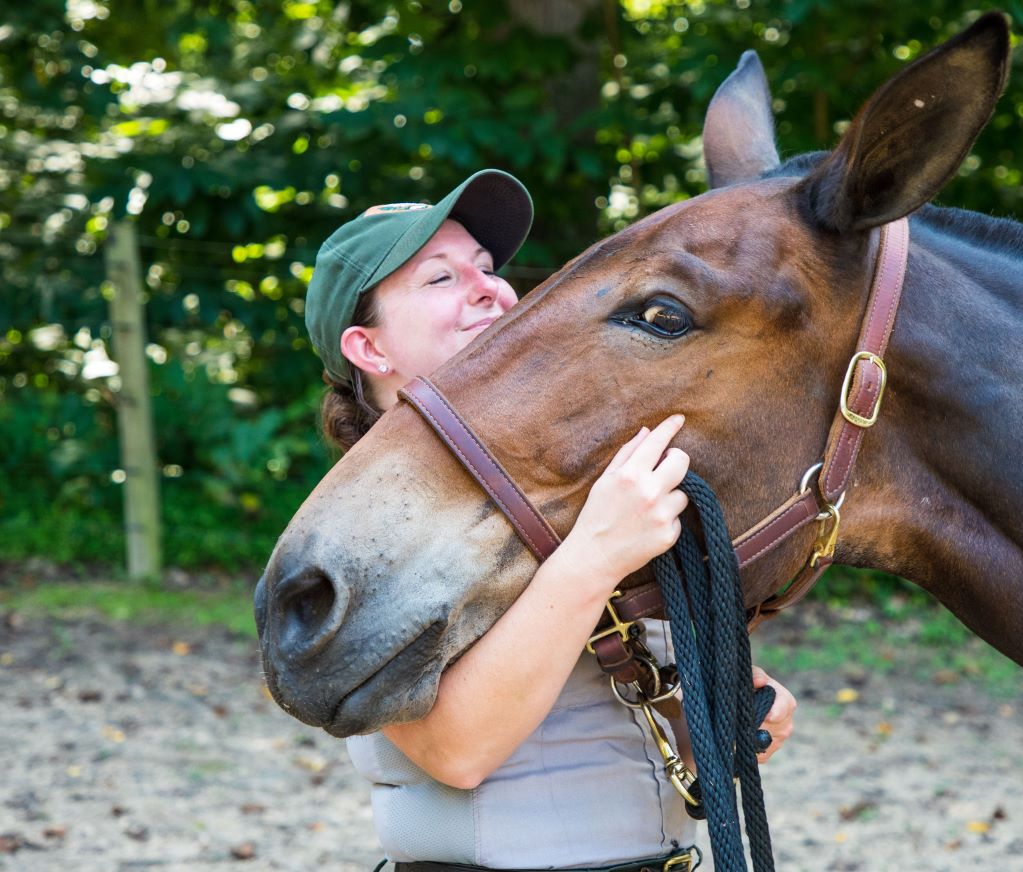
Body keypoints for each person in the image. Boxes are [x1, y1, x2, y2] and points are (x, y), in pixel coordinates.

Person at [303, 169, 797, 872]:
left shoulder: (578, 490)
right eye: (439, 279)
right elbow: (457, 752)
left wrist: (710, 723)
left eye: (483, 267)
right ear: (370, 350)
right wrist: (596, 554)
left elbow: (609, 730)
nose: (488, 287)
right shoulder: (358, 534)